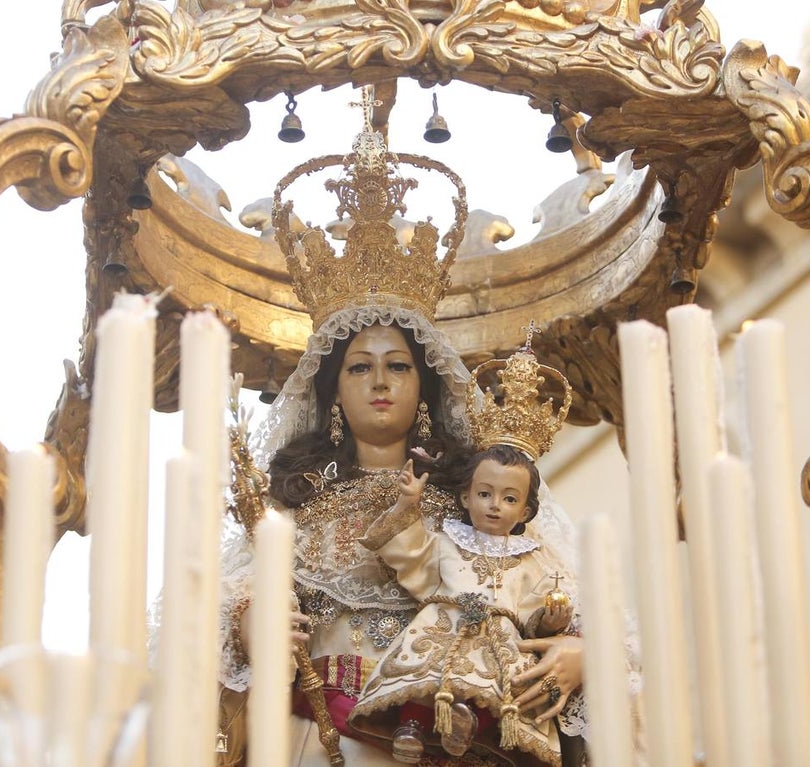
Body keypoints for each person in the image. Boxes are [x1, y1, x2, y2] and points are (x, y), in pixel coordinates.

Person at [212, 104, 603, 767]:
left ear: (425, 385)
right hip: (326, 736)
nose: (379, 382)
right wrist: (251, 626)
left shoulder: (478, 498)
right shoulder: (295, 504)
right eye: (358, 367)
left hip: (453, 732)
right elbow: (229, 611)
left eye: (397, 366)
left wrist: (578, 651)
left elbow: (557, 594)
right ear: (333, 390)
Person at [348, 344, 576, 766]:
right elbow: (410, 555)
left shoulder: (530, 559)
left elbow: (534, 611)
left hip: (499, 639)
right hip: (442, 626)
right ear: (465, 497)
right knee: (422, 673)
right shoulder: (449, 541)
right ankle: (411, 725)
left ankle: (469, 727)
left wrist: (552, 619)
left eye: (509, 499)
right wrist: (407, 505)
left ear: (526, 512)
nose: (494, 506)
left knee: (499, 690)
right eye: (485, 494)